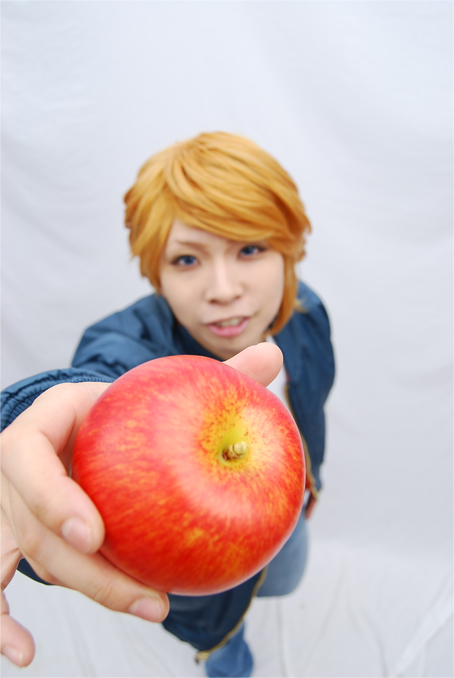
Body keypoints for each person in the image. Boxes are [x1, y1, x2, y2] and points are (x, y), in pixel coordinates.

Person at [0, 131, 335, 677]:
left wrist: (307, 482)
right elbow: (90, 393)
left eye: (250, 249)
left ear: (289, 251)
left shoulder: (307, 316)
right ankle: (224, 649)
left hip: (286, 512)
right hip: (199, 581)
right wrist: (16, 430)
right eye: (186, 259)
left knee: (286, 575)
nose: (222, 288)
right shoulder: (130, 348)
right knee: (220, 632)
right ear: (156, 272)